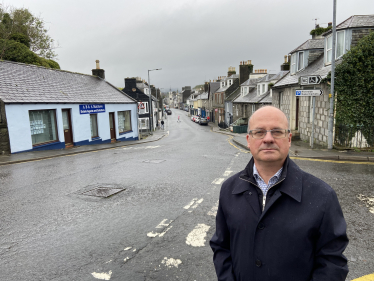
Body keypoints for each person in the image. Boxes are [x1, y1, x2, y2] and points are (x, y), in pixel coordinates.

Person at [210, 106, 348, 281]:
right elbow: (221, 247)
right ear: (248, 140)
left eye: (277, 132)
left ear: (289, 139)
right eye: (259, 132)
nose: (268, 139)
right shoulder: (229, 189)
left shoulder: (323, 195)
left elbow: (332, 262)